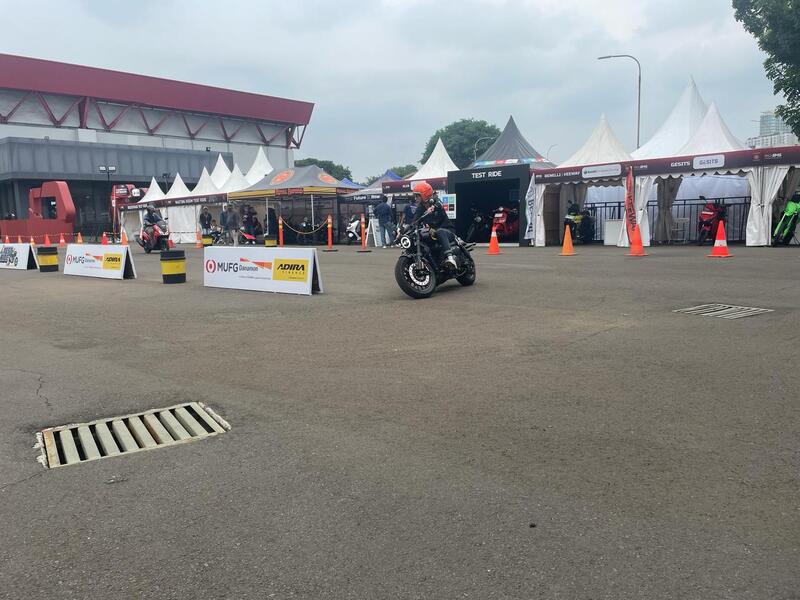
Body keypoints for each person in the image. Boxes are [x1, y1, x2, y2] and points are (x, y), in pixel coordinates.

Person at [411, 182, 457, 270]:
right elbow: (414, 221)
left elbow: (439, 204)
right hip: (433, 233)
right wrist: (402, 232)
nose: (415, 198)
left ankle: (450, 259)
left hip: (447, 230)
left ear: (424, 195)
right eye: (415, 196)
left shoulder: (435, 202)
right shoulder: (420, 208)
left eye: (417, 196)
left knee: (440, 231)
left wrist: (433, 207)